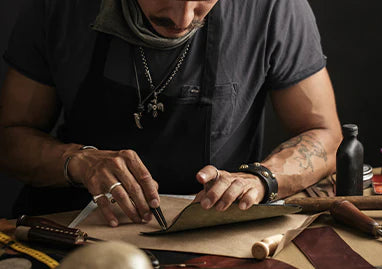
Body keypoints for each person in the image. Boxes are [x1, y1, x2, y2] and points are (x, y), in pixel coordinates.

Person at [0, 0, 342, 227]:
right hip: (69, 227)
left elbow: (324, 135)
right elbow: (9, 137)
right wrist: (79, 161)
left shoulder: (272, 8)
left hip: (212, 234)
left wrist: (261, 179)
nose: (182, 19)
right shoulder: (59, 7)